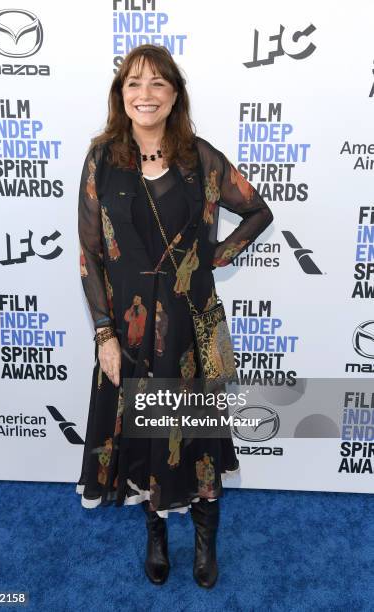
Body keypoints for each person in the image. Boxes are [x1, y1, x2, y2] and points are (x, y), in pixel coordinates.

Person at [76, 44, 273, 588]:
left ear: (175, 95)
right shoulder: (101, 159)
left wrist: (214, 257)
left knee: (200, 440)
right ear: (121, 94)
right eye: (134, 84)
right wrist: (104, 335)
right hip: (133, 335)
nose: (146, 95)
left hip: (193, 329)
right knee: (146, 441)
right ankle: (157, 536)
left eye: (159, 84)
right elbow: (89, 254)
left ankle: (206, 543)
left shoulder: (200, 158)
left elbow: (258, 211)